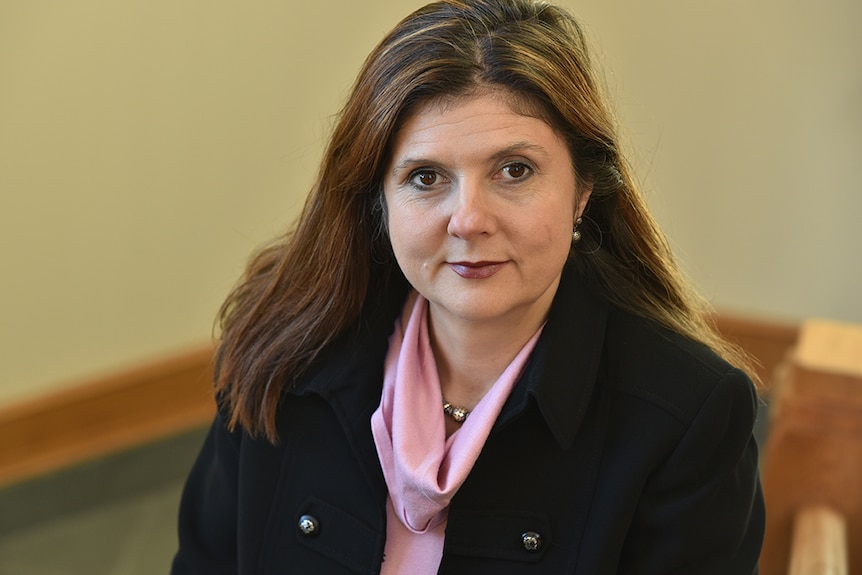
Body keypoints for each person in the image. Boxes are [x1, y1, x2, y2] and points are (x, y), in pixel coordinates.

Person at [172, 0, 765, 573]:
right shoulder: (283, 344)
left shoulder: (689, 417)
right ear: (378, 202)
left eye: (514, 170)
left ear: (584, 189)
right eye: (426, 177)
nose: (469, 219)